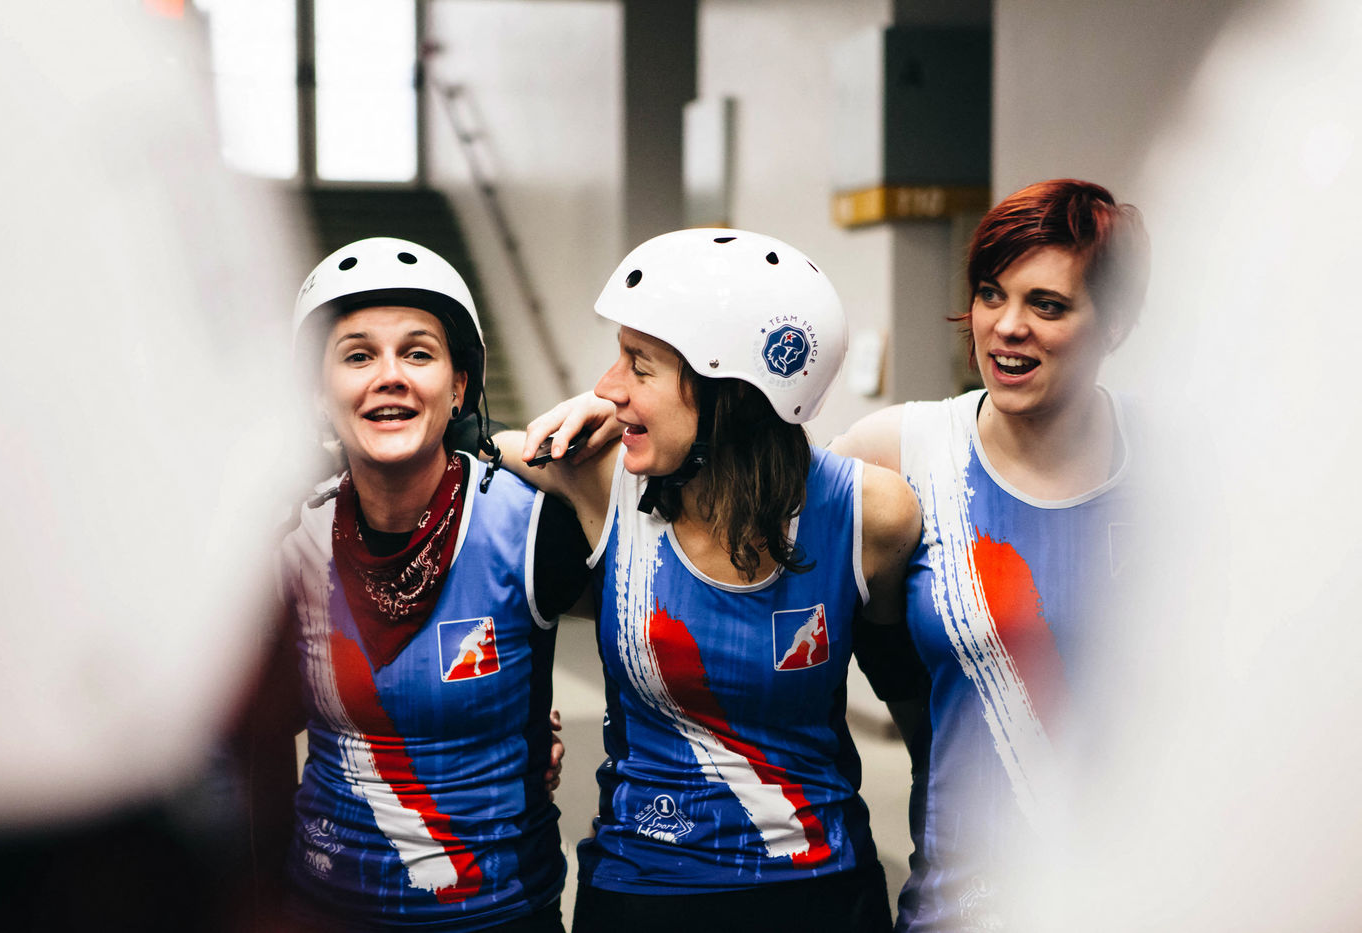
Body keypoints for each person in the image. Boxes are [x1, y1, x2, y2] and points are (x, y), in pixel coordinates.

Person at [493, 228, 923, 933]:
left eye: (640, 365)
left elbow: (926, 731)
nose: (606, 386)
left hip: (820, 890)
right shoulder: (603, 482)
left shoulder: (870, 515)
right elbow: (470, 446)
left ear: (732, 396)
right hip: (642, 886)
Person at [238, 237, 590, 931]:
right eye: (358, 355)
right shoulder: (287, 539)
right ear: (318, 395)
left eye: (418, 353)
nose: (390, 376)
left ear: (459, 387)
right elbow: (259, 745)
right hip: (325, 909)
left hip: (500, 913)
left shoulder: (532, 523)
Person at [830, 179, 1151, 931]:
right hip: (966, 904)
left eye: (1048, 305)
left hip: (1144, 891)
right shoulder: (901, 451)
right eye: (989, 294)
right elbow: (737, 511)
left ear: (1113, 324)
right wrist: (616, 421)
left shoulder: (1169, 459)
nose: (1007, 327)